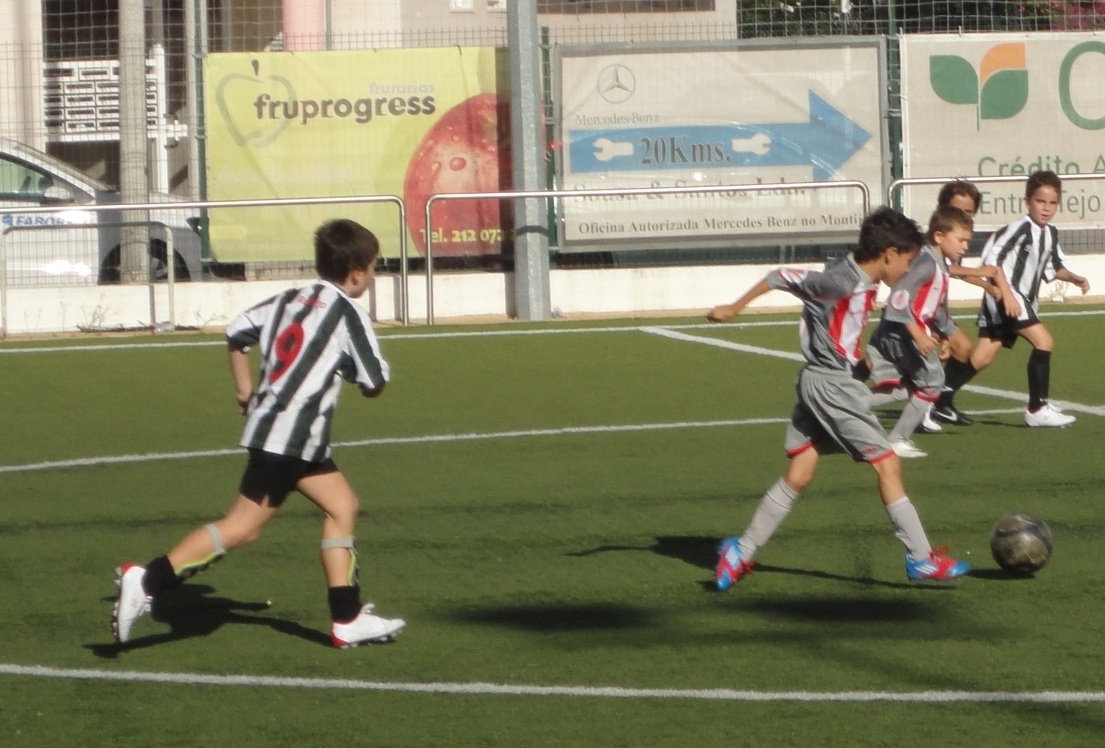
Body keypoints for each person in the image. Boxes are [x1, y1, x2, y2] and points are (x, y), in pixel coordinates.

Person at [111, 218, 405, 648]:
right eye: (374, 268)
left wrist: (244, 389)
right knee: (241, 527)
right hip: (291, 438)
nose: (373, 276)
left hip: (288, 436)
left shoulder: (289, 299)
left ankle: (347, 617)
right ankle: (147, 580)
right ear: (357, 273)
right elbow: (374, 381)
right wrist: (346, 369)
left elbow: (237, 332)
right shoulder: (347, 313)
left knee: (342, 505)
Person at [706, 206, 969, 589]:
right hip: (830, 386)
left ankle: (740, 552)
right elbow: (779, 275)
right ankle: (920, 558)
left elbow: (837, 325)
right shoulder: (841, 282)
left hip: (823, 379)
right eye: (908, 261)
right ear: (889, 255)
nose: (909, 270)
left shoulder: (856, 273)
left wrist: (857, 361)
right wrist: (735, 307)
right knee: (887, 464)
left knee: (800, 473)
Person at [932, 171, 1091, 428]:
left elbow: (1053, 267)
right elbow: (992, 263)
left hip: (1019, 300)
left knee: (981, 357)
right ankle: (1037, 408)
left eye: (1052, 203)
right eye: (1040, 201)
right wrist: (1005, 295)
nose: (1046, 208)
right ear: (1027, 201)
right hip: (1008, 299)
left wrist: (1074, 278)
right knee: (1044, 341)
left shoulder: (1050, 233)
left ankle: (938, 399)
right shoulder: (1018, 229)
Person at [867, 206, 977, 459]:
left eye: (967, 241)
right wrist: (917, 334)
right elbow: (898, 297)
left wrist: (946, 335)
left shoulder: (939, 266)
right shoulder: (926, 262)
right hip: (903, 333)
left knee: (907, 387)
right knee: (933, 383)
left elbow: (937, 308)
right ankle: (897, 440)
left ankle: (844, 404)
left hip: (903, 332)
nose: (965, 247)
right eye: (960, 240)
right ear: (939, 236)